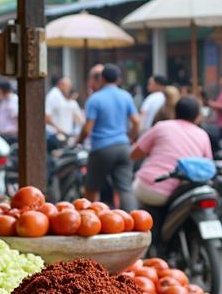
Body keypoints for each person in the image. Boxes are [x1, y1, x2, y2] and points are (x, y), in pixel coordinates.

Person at [131, 96, 213, 208]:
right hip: (184, 192)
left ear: (175, 111)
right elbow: (208, 164)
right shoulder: (203, 134)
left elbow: (135, 153)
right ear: (198, 116)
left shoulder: (162, 126)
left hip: (150, 187)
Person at [79, 64, 140, 210]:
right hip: (124, 147)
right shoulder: (126, 96)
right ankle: (133, 222)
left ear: (102, 78)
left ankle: (90, 220)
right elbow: (136, 121)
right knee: (125, 189)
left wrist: (78, 140)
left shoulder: (95, 99)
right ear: (118, 79)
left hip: (102, 148)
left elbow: (87, 129)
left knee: (91, 189)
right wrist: (130, 138)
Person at [45, 77, 79, 141]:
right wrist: (58, 129)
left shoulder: (61, 95)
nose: (69, 88)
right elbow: (46, 116)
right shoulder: (54, 95)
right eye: (67, 86)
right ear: (60, 84)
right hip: (54, 134)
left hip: (63, 135)